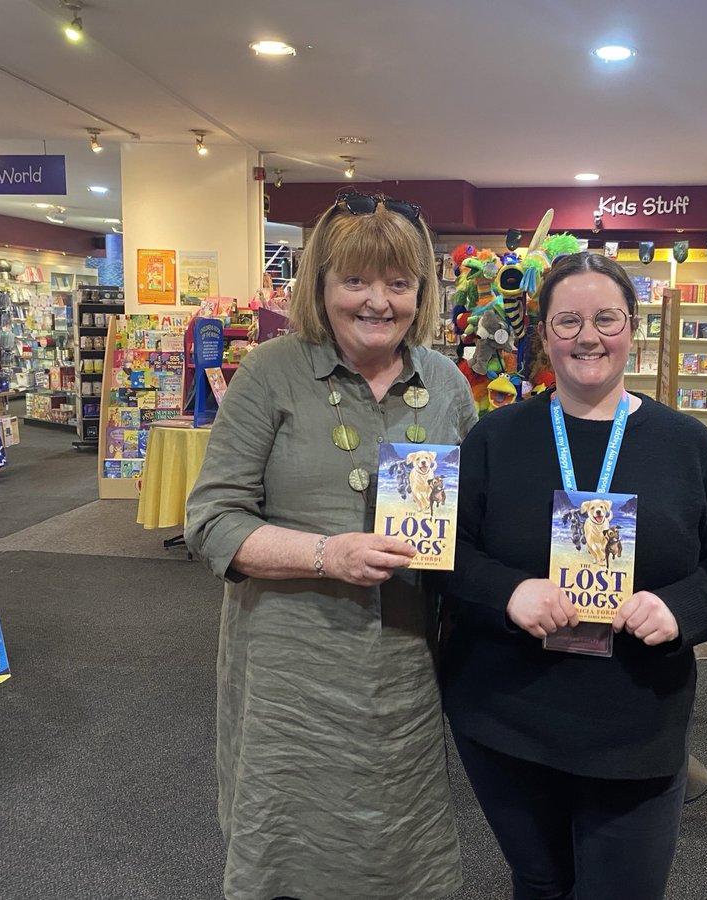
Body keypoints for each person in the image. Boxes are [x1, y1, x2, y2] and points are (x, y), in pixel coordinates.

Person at [440, 252, 707, 900]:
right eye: (568, 321)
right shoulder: (494, 438)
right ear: (544, 335)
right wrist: (509, 592)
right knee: (539, 881)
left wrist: (682, 608)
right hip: (507, 720)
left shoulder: (687, 444)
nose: (588, 336)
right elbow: (445, 552)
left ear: (633, 328)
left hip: (635, 723)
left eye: (606, 318)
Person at [185, 192, 477, 900]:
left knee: (396, 837)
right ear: (321, 285)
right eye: (356, 281)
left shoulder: (442, 382)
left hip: (403, 659)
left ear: (421, 292)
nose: (378, 301)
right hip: (291, 664)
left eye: (398, 283)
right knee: (291, 833)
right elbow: (213, 519)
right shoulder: (269, 372)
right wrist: (326, 555)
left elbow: (481, 513)